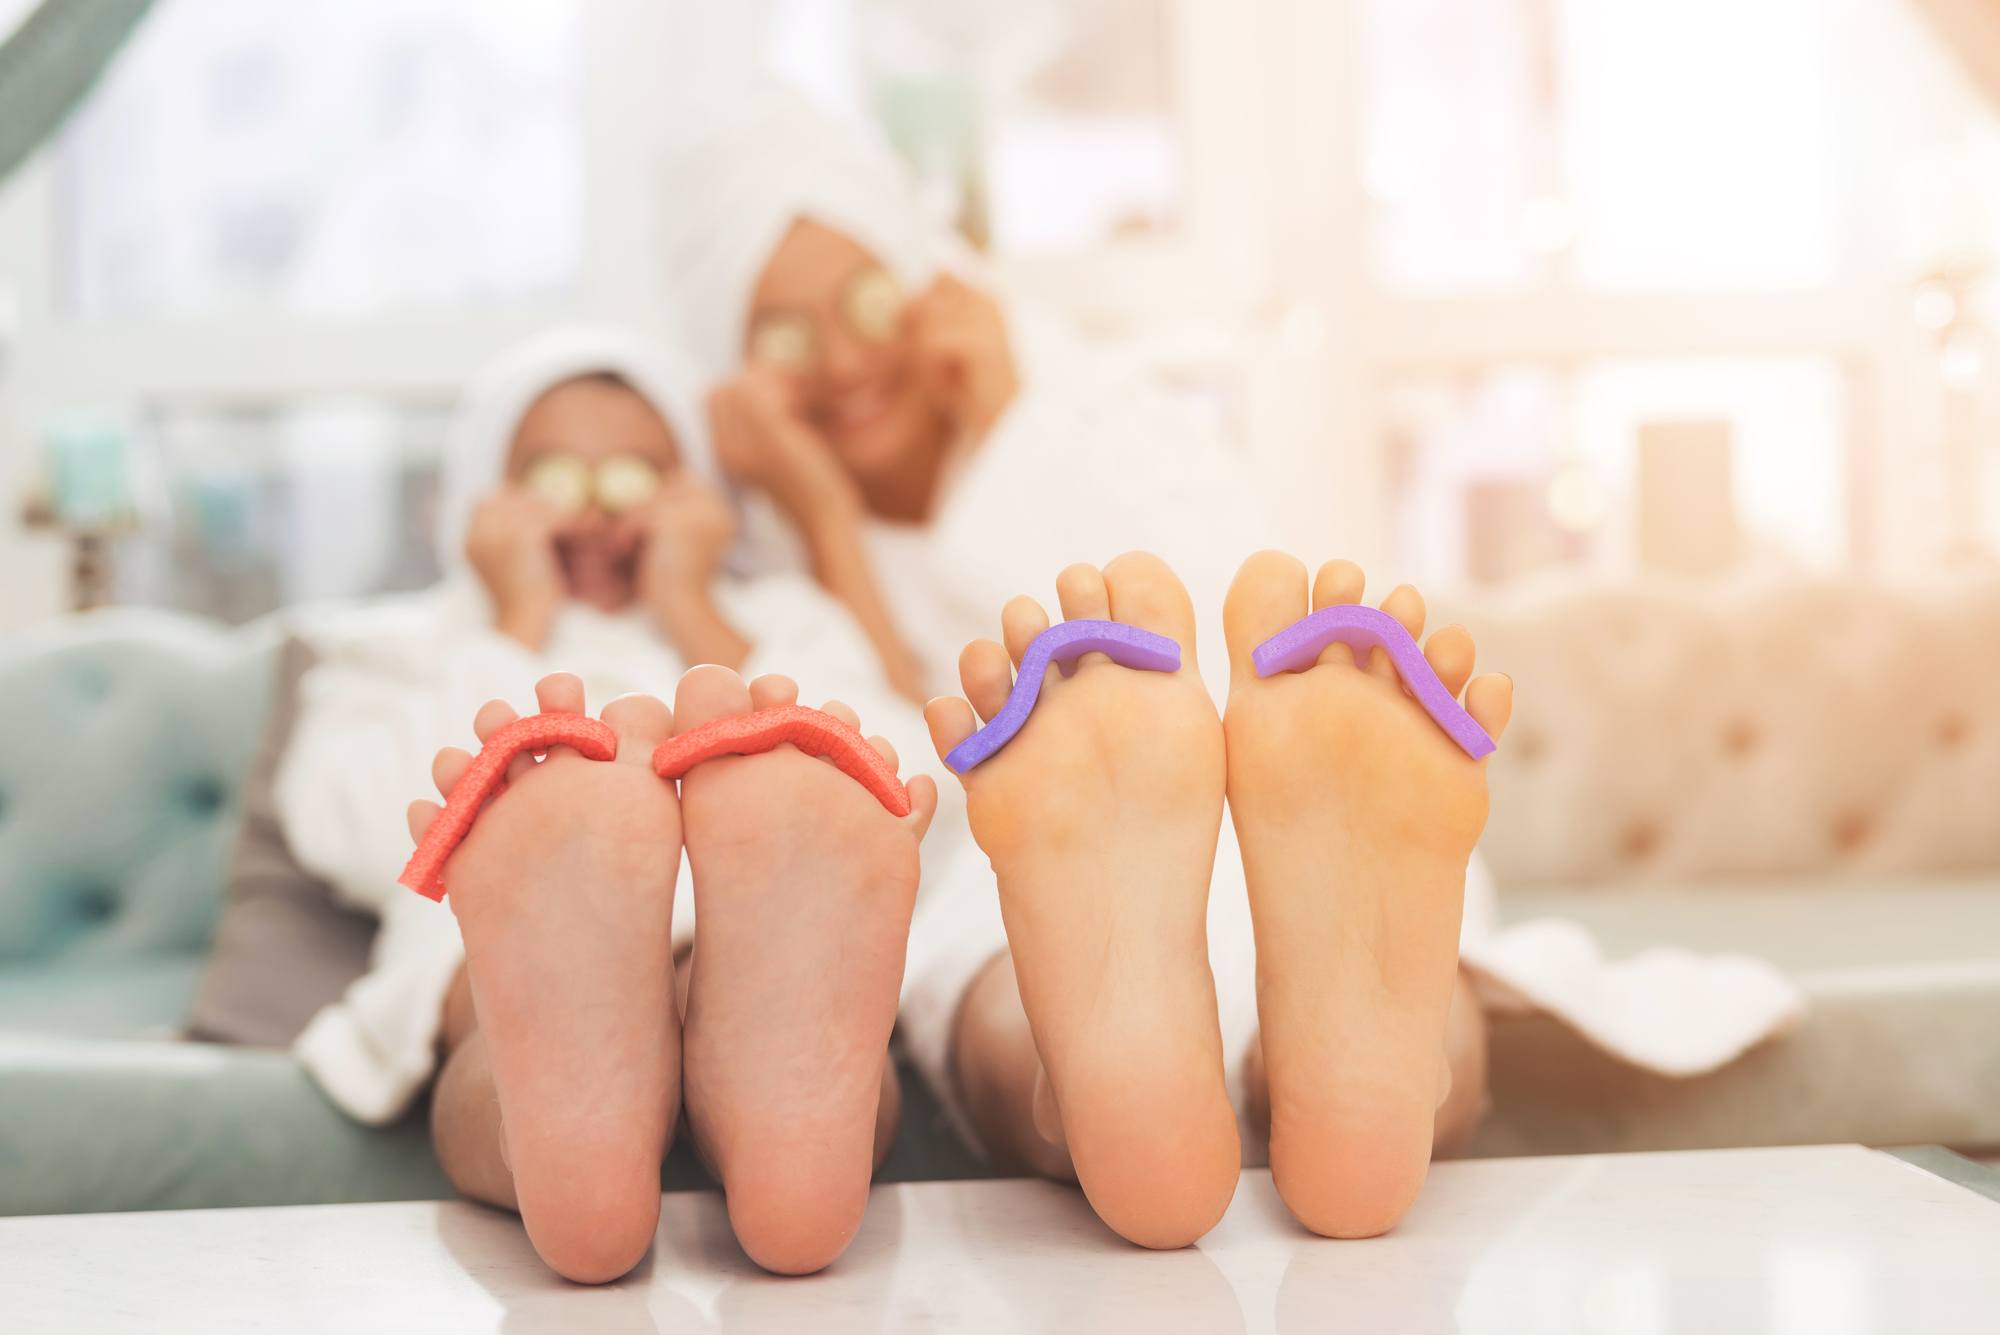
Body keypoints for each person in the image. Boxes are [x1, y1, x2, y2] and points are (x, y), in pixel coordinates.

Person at [657, 83, 1807, 1248]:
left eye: (865, 299)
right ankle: (1233, 1089)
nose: (846, 355)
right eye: (785, 334)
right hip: (1028, 866)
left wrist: (1010, 421)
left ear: (932, 287)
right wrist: (824, 522)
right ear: (730, 376)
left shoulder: (1110, 438)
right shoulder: (751, 571)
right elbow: (898, 768)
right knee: (1017, 956)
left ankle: (1277, 1073)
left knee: (1017, 993)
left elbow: (1222, 637)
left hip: (1257, 829)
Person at [275, 325, 943, 1280]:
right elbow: (342, 821)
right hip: (493, 950)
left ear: (696, 490)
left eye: (636, 475)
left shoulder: (782, 620)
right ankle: (591, 1126)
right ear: (486, 493)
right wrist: (513, 624)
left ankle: (748, 1115)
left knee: (765, 1000)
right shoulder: (405, 643)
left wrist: (692, 607)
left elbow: (905, 784)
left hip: (748, 936)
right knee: (494, 1019)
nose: (592, 513)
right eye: (551, 476)